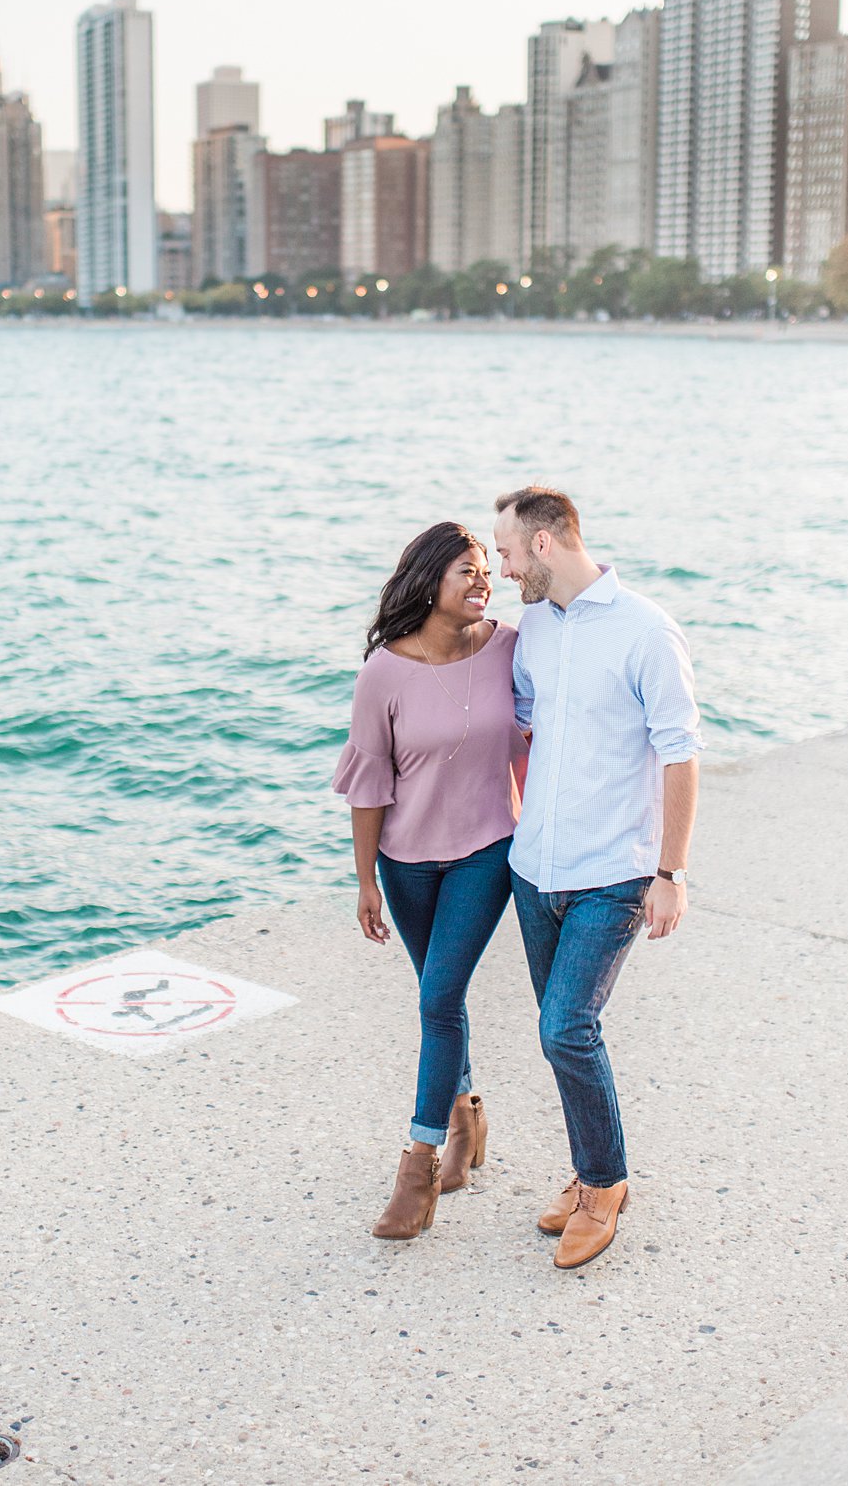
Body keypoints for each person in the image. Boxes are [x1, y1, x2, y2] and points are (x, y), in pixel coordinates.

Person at [492, 485, 702, 1269]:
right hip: (533, 870)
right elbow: (516, 724)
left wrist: (670, 871)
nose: (504, 568)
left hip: (613, 874)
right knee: (561, 1037)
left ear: (544, 545)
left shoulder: (647, 630)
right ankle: (585, 1175)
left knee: (565, 1027)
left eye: (508, 552)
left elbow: (681, 752)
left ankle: (607, 1185)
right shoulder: (535, 629)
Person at [333, 522, 526, 1240]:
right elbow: (368, 783)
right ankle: (468, 1116)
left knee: (441, 995)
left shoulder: (511, 648)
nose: (482, 583)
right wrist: (365, 881)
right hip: (406, 860)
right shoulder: (384, 671)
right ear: (428, 584)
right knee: (437, 996)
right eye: (466, 574)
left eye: (485, 571)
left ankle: (419, 1165)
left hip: (488, 850)